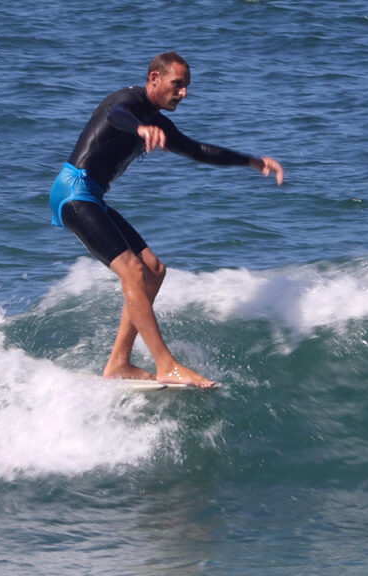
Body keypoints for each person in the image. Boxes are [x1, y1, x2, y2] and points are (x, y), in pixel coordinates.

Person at [49, 52, 284, 387]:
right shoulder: (126, 103)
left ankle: (120, 362)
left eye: (186, 87)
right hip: (73, 193)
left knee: (154, 271)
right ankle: (166, 363)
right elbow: (117, 116)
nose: (183, 93)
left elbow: (198, 150)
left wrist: (251, 161)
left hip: (92, 198)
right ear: (154, 78)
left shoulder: (157, 122)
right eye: (178, 84)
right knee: (132, 270)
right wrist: (140, 127)